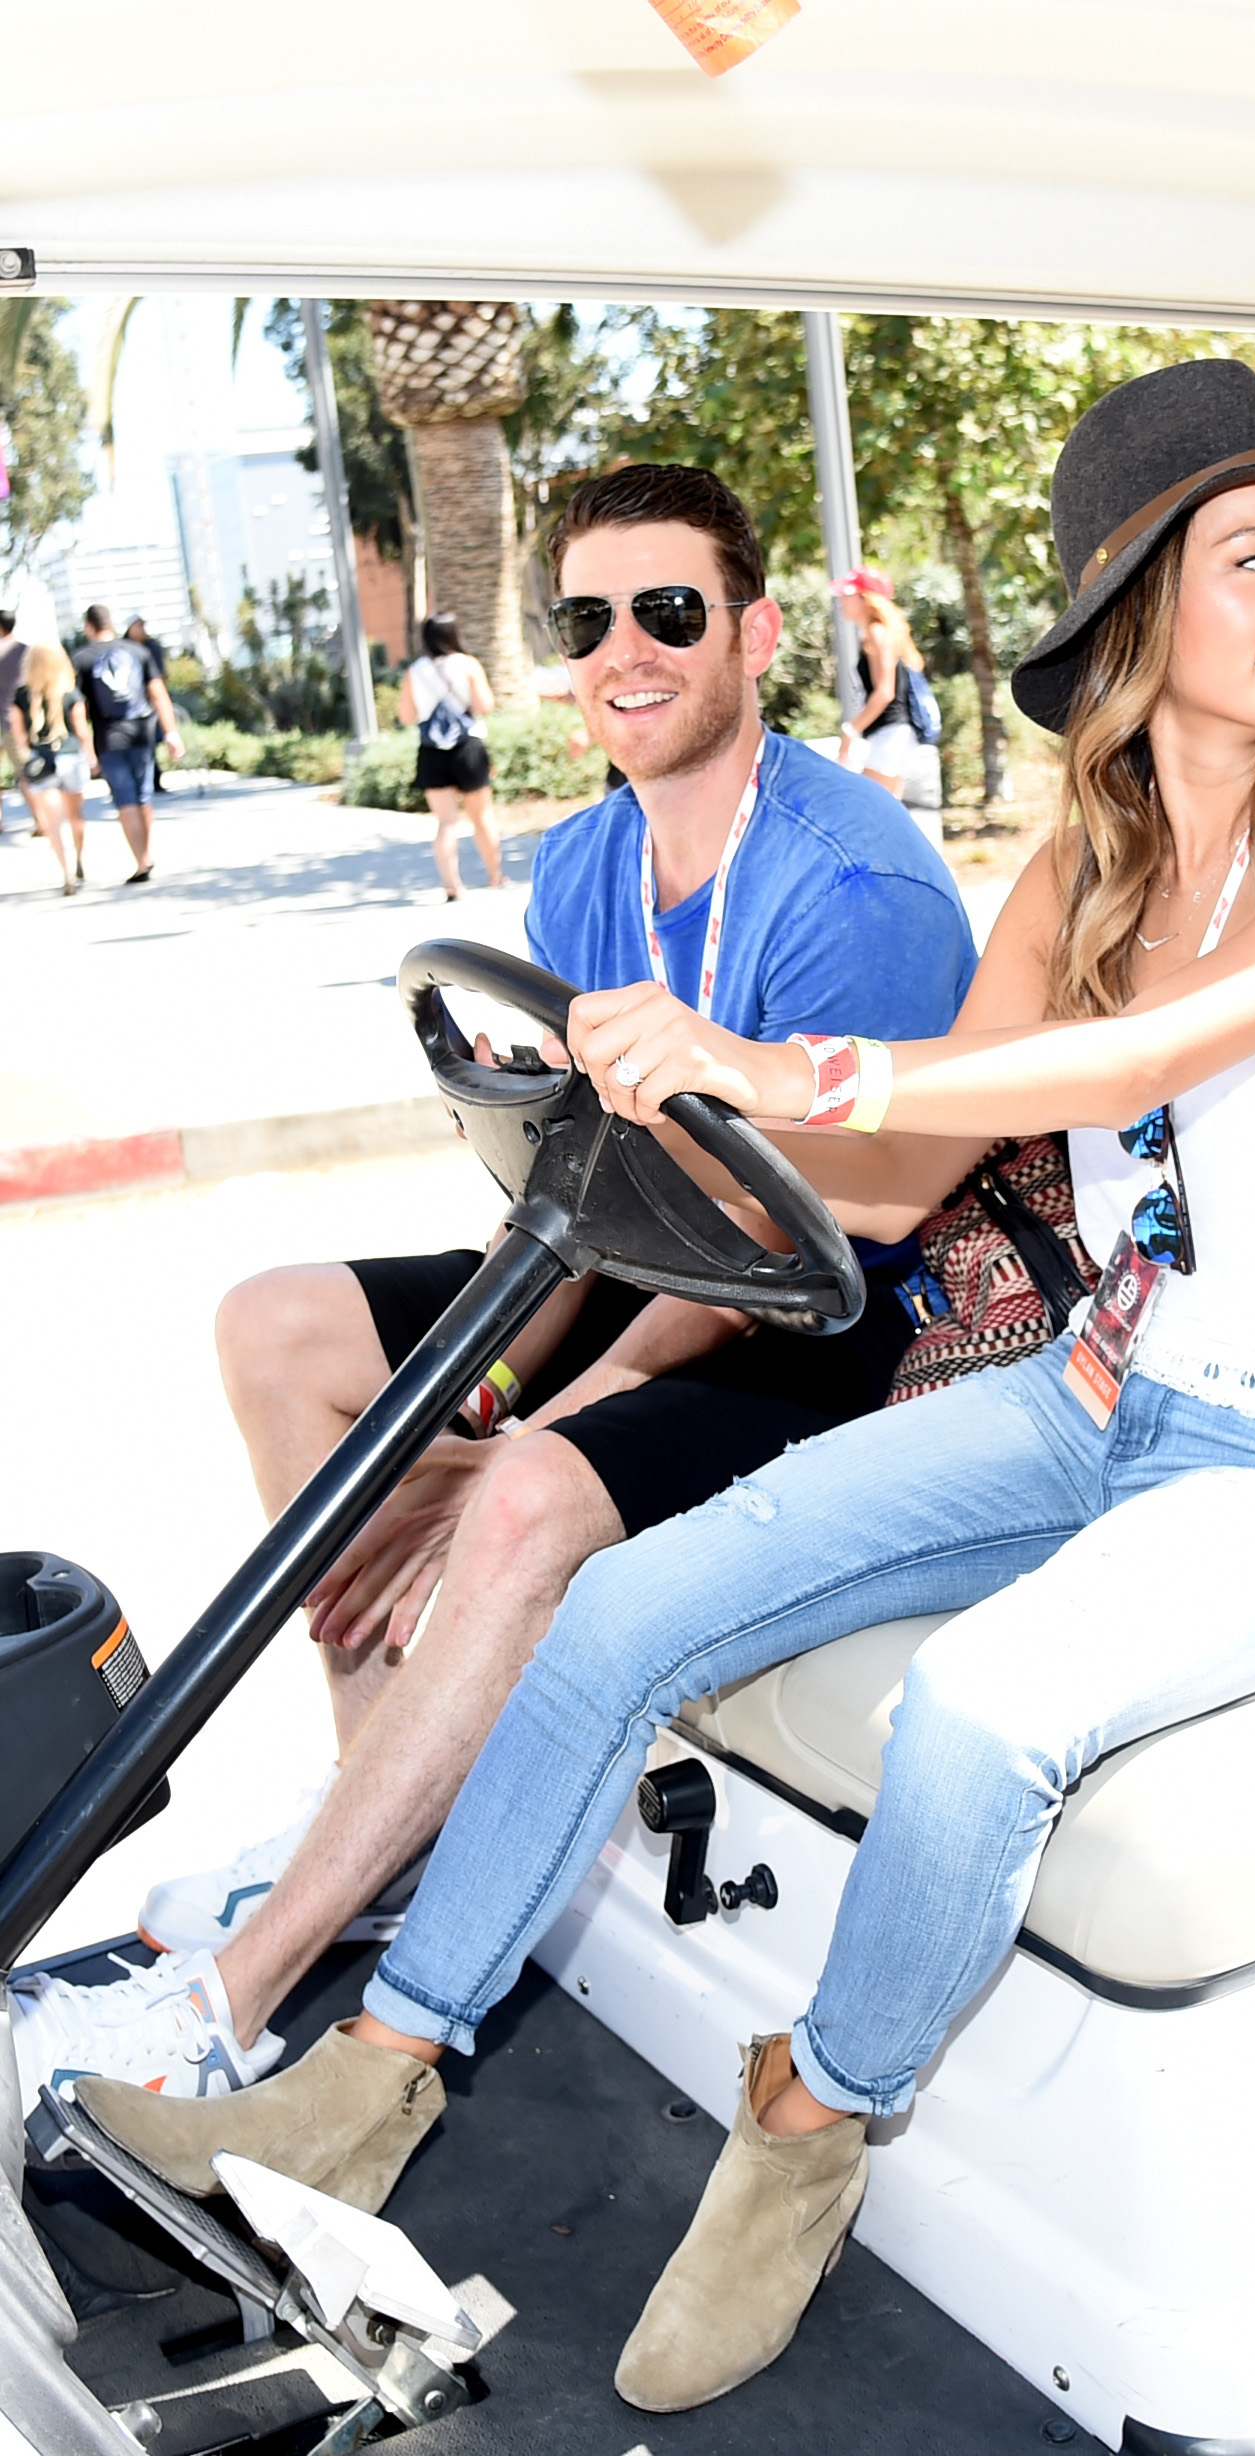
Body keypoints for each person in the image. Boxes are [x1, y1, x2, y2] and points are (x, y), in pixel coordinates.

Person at [65, 358, 1255, 2408]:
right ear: (1141, 604)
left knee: (982, 1713)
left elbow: (1129, 1069)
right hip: (1099, 1399)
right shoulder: (1082, 872)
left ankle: (810, 2120)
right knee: (614, 1599)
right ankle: (362, 2086)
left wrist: (788, 1065)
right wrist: (665, 1126)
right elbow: (898, 1176)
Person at [9, 463, 976, 2106]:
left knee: (519, 1499)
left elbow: (768, 1248)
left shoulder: (849, 883)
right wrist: (464, 1402)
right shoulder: (592, 863)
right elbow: (579, 1191)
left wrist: (506, 1457)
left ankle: (243, 1994)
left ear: (748, 633)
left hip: (842, 1320)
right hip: (653, 1253)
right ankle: (381, 1814)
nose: (625, 649)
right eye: (587, 617)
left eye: (668, 611)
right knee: (280, 1326)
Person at [73, 605, 183, 884]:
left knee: (125, 800)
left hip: (109, 739)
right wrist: (171, 733)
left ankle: (141, 860)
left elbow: (78, 710)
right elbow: (158, 695)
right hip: (142, 732)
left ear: (88, 626)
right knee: (144, 796)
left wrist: (87, 750)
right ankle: (147, 854)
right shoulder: (138, 651)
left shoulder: (82, 659)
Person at [398, 613, 504, 898]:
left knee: (446, 823)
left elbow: (406, 716)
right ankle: (495, 875)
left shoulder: (414, 671)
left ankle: (452, 885)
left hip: (432, 752)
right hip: (468, 748)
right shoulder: (467, 664)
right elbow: (486, 704)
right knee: (482, 816)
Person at [835, 564, 941, 814]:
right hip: (894, 736)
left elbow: (885, 692)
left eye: (848, 594)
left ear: (865, 599)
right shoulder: (879, 634)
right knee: (887, 812)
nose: (842, 600)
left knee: (864, 810)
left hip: (891, 735)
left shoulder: (877, 634)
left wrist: (851, 730)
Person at [7, 642, 96, 894]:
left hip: (41, 763)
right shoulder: (71, 693)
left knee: (52, 823)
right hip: (70, 758)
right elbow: (82, 732)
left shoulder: (22, 696)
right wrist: (92, 758)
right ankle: (78, 858)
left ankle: (66, 870)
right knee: (76, 818)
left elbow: (20, 737)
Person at [125, 618, 170, 794]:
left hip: (151, 703)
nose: (143, 629)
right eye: (139, 625)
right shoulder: (124, 648)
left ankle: (154, 781)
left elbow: (160, 676)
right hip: (129, 706)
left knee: (151, 742)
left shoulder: (152, 647)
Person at [0, 609, 31, 826]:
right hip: (19, 718)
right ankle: (42, 821)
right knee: (27, 772)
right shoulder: (27, 652)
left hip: (4, 716)